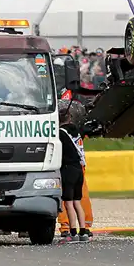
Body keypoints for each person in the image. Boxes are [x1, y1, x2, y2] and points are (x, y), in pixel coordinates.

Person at [56, 101, 94, 239]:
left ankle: (70, 230)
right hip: (80, 168)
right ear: (70, 118)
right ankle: (84, 230)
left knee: (68, 202)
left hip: (67, 169)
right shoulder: (78, 131)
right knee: (79, 200)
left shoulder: (59, 134)